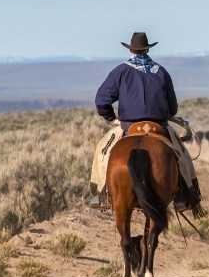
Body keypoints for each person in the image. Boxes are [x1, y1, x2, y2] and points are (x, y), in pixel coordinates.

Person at [85, 32, 202, 215]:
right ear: (147, 49)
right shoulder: (161, 71)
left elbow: (102, 100)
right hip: (159, 126)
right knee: (182, 155)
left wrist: (112, 118)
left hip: (128, 126)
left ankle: (102, 195)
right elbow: (172, 108)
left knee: (103, 151)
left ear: (131, 50)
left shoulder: (120, 71)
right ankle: (184, 197)